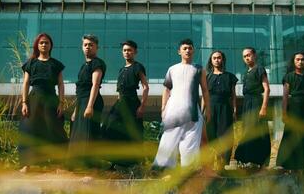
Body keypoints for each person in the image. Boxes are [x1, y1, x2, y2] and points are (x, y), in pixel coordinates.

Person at [153, 38, 210, 168]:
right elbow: (166, 90)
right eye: (185, 48)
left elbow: (205, 91)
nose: (188, 50)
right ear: (179, 51)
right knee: (168, 141)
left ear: (193, 50)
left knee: (190, 144)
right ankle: (164, 170)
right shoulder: (172, 69)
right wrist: (163, 108)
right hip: (173, 111)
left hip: (193, 113)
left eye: (190, 48)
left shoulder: (199, 69)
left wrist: (208, 110)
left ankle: (188, 171)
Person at [20, 33, 68, 172]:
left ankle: (58, 164)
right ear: (37, 45)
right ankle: (27, 164)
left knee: (55, 130)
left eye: (47, 42)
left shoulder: (56, 64)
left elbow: (61, 85)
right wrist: (24, 102)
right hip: (34, 99)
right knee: (29, 130)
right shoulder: (31, 63)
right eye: (41, 42)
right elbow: (26, 83)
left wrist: (61, 103)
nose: (44, 45)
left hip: (51, 100)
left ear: (50, 45)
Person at [102, 40, 149, 167]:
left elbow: (145, 87)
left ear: (135, 52)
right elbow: (119, 91)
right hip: (120, 103)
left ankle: (134, 162)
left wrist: (142, 106)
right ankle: (114, 160)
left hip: (132, 102)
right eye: (125, 50)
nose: (127, 52)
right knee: (108, 127)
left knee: (133, 132)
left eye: (129, 50)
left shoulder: (138, 67)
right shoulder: (121, 70)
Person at [277, 52, 304, 170]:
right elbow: (285, 96)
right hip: (293, 109)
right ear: (294, 61)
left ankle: (303, 165)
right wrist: (284, 113)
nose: (300, 62)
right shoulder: (289, 77)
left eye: (302, 59)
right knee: (290, 135)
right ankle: (284, 163)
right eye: (297, 59)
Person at [68, 34, 107, 168]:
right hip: (81, 102)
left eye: (91, 45)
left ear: (96, 47)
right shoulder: (83, 65)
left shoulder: (97, 63)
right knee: (78, 134)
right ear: (82, 47)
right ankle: (78, 164)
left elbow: (95, 85)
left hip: (92, 101)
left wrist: (90, 106)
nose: (88, 47)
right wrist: (76, 109)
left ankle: (91, 166)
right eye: (85, 45)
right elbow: (80, 90)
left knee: (89, 133)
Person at [234, 47, 271, 168]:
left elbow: (267, 89)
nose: (247, 58)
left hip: (256, 102)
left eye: (248, 55)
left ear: (254, 55)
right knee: (247, 130)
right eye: (244, 56)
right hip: (247, 103)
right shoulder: (247, 72)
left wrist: (264, 107)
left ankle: (260, 161)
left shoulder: (259, 69)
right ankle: (247, 159)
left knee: (258, 130)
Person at [203, 50, 238, 168]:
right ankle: (213, 162)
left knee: (225, 135)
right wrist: (202, 111)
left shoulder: (230, 77)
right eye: (214, 58)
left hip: (225, 108)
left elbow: (233, 96)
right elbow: (204, 95)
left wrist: (234, 110)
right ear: (211, 61)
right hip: (210, 108)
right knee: (211, 135)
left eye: (219, 58)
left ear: (222, 59)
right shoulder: (207, 77)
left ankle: (222, 164)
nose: (217, 60)